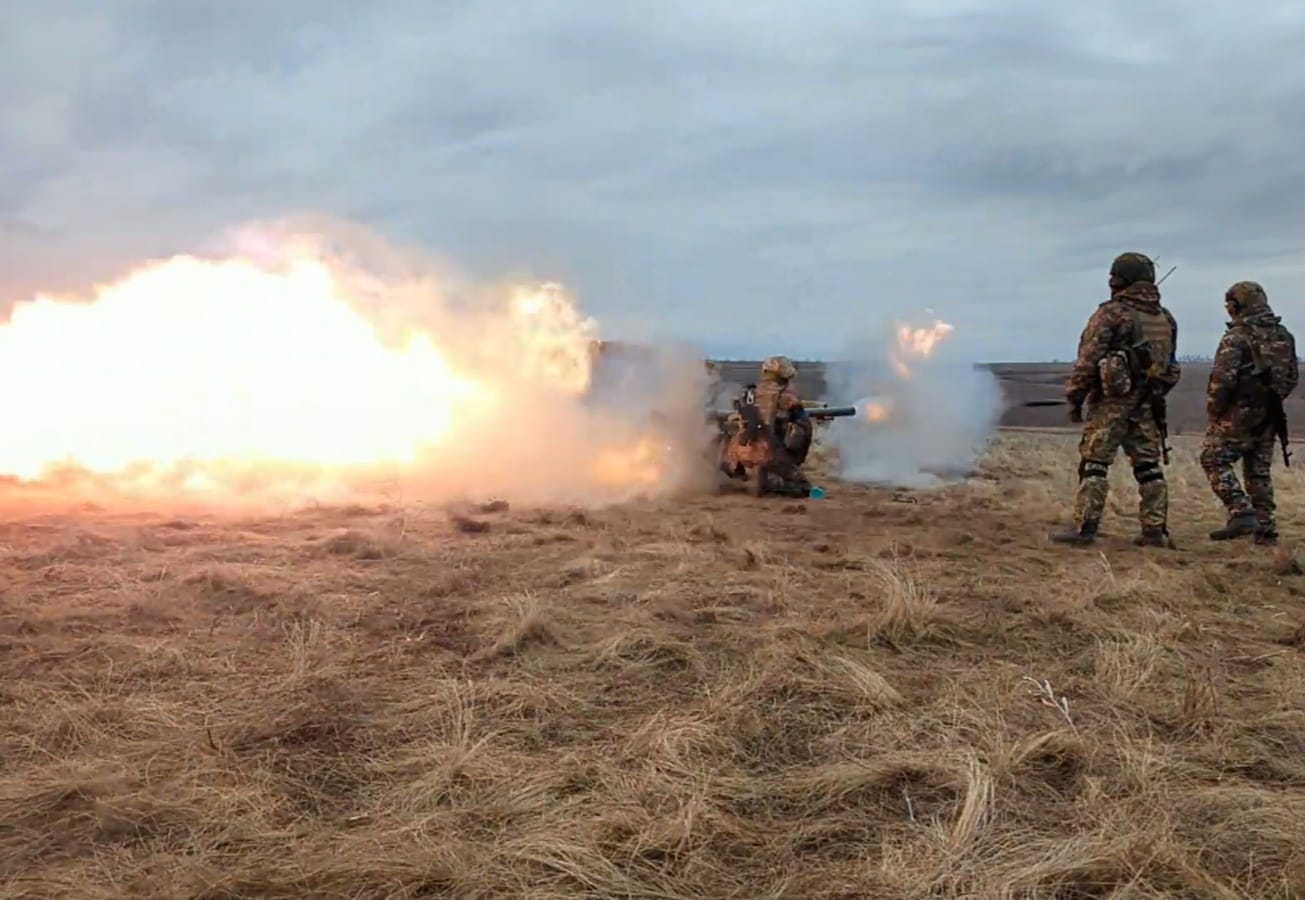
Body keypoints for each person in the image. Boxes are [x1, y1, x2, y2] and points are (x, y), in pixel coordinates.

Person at [1050, 252, 1181, 547]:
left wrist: (1075, 397)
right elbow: (1172, 367)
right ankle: (1154, 531)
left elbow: (1087, 361)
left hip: (1111, 403)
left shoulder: (1110, 314)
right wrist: (1154, 392)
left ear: (1119, 280)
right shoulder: (1165, 318)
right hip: (1148, 404)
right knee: (1149, 468)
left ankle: (1085, 528)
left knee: (1095, 463)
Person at [1199, 280, 1298, 545]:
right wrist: (1272, 401)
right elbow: (1291, 377)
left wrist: (1215, 411)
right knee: (1258, 472)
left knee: (1212, 458)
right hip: (1270, 414)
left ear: (1237, 305)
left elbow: (1222, 381)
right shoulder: (1284, 336)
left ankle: (1241, 511)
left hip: (1238, 414)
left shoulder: (1236, 337)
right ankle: (1266, 530)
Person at [720, 355, 813, 496]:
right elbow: (803, 430)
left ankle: (737, 475)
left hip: (742, 453)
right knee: (803, 488)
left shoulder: (747, 394)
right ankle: (771, 483)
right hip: (770, 453)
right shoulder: (787, 398)